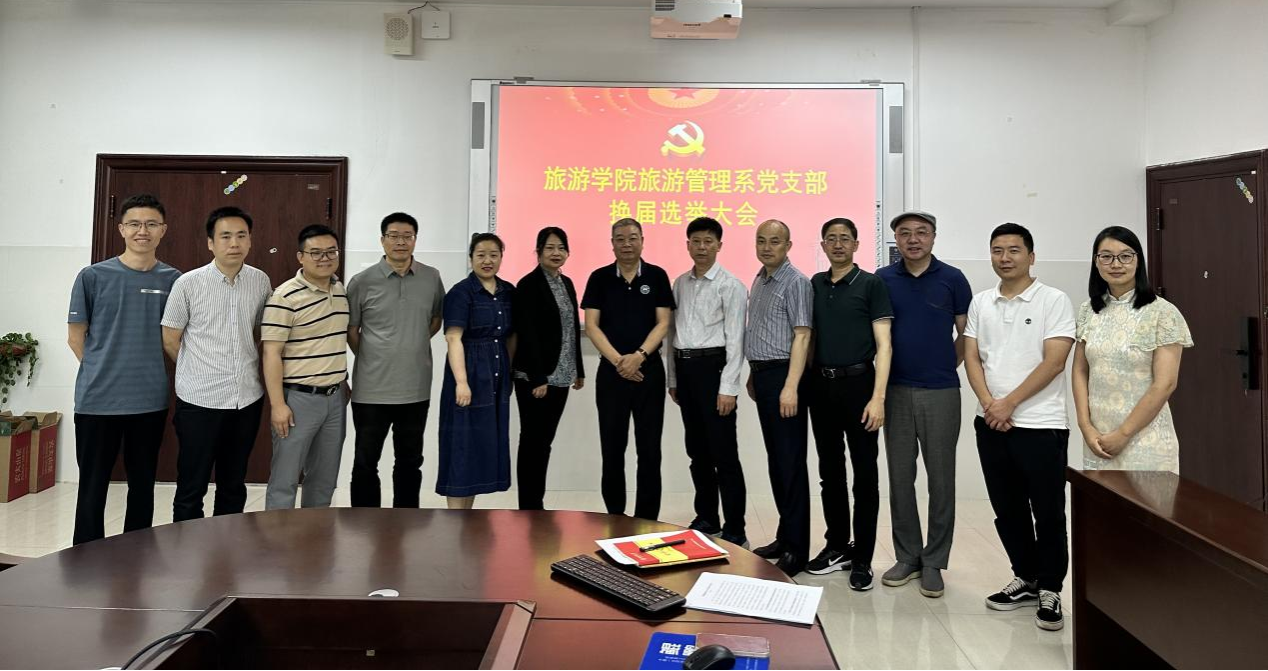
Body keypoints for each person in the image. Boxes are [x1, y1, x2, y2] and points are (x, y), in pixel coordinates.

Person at [963, 223, 1075, 631]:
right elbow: (972, 357)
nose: (1005, 257)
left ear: (1031, 256)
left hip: (1041, 424)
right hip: (991, 423)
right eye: (997, 250)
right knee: (1007, 509)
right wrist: (990, 404)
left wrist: (1009, 402)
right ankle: (1025, 577)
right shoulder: (981, 302)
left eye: (1013, 250)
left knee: (1047, 511)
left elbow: (1055, 361)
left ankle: (1051, 587)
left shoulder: (1054, 300)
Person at [67, 193, 181, 545]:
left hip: (149, 401)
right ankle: (86, 556)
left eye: (151, 224)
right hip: (97, 402)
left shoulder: (174, 280)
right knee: (92, 486)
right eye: (134, 224)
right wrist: (104, 370)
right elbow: (75, 337)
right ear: (121, 229)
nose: (142, 231)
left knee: (143, 485)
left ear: (163, 230)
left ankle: (136, 554)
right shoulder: (93, 276)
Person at [876, 210, 971, 598]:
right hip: (895, 391)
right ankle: (908, 556)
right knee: (900, 478)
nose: (913, 239)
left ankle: (934, 561)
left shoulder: (953, 279)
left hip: (942, 391)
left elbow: (967, 334)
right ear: (896, 239)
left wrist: (945, 364)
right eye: (905, 233)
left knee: (941, 480)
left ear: (933, 237)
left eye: (921, 232)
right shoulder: (882, 279)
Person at [162, 206, 272, 522]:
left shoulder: (260, 281)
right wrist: (198, 368)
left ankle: (227, 546)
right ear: (210, 242)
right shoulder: (188, 283)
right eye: (225, 236)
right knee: (191, 487)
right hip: (199, 400)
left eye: (241, 235)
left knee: (233, 485)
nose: (234, 243)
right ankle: (188, 546)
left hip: (246, 399)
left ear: (250, 240)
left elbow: (259, 332)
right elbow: (170, 339)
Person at [805, 218, 893, 591]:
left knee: (865, 476)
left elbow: (884, 345)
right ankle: (837, 546)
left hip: (860, 386)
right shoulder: (814, 284)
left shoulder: (871, 284)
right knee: (830, 473)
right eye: (831, 238)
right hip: (821, 387)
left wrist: (878, 398)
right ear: (823, 245)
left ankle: (863, 558)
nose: (838, 244)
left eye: (845, 238)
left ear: (857, 244)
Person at [346, 212, 445, 508]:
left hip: (415, 388)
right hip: (371, 390)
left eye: (407, 236)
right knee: (366, 461)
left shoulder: (431, 277)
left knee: (410, 461)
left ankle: (406, 520)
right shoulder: (362, 281)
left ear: (415, 240)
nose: (401, 242)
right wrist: (374, 355)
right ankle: (365, 522)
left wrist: (411, 343)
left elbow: (435, 319)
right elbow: (352, 330)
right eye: (394, 236)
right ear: (382, 240)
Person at [1073, 226, 1192, 473]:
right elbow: (1080, 371)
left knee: (1147, 499)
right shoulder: (1089, 310)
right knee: (1099, 498)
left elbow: (1165, 384)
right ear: (1096, 261)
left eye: (1125, 256)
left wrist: (1124, 434)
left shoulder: (1162, 312)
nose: (1116, 264)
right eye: (1106, 256)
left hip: (1145, 439)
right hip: (1098, 438)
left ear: (1138, 260)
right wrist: (1085, 426)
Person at [581, 218, 675, 521]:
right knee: (612, 449)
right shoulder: (599, 278)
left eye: (632, 238)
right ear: (612, 244)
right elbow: (592, 326)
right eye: (620, 239)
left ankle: (646, 519)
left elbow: (663, 322)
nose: (627, 244)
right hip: (611, 375)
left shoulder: (657, 276)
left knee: (649, 451)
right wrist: (619, 362)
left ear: (642, 240)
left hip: (649, 373)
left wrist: (639, 356)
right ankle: (615, 517)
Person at [666, 217, 748, 546]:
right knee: (697, 452)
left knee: (724, 454)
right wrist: (673, 378)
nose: (702, 247)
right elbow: (672, 333)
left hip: (714, 371)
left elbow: (736, 340)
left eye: (708, 242)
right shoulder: (680, 283)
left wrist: (728, 388)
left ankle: (735, 528)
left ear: (719, 246)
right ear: (688, 245)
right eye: (696, 241)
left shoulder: (731, 285)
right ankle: (707, 517)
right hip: (686, 372)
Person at [261, 224, 350, 510]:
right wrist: (278, 405)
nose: (325, 258)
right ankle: (277, 537)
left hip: (335, 399)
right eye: (316, 253)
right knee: (285, 479)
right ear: (301, 257)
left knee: (324, 480)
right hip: (298, 400)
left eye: (331, 252)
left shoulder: (340, 290)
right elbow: (271, 353)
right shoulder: (285, 297)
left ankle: (315, 534)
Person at [744, 219, 814, 577]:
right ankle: (785, 536)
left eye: (774, 241)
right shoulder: (760, 279)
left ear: (788, 245)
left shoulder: (796, 281)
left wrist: (790, 386)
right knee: (777, 461)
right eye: (761, 240)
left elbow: (802, 336)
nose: (767, 247)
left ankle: (797, 550)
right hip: (764, 376)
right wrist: (753, 373)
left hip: (785, 376)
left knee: (791, 463)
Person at [437, 233, 515, 509]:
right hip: (469, 373)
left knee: (482, 446)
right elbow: (453, 338)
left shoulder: (508, 291)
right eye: (481, 255)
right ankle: (455, 519)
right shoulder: (461, 292)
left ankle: (468, 519)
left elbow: (511, 337)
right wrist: (462, 381)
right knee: (462, 445)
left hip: (496, 375)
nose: (487, 260)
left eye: (494, 254)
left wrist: (508, 373)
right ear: (471, 258)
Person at [512, 226, 585, 511]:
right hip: (535, 377)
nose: (556, 253)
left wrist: (578, 369)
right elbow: (527, 333)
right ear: (539, 251)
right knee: (532, 440)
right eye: (550, 247)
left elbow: (572, 328)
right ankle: (529, 506)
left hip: (562, 374)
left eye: (561, 247)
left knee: (544, 441)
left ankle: (536, 504)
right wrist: (538, 377)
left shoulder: (567, 283)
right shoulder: (528, 284)